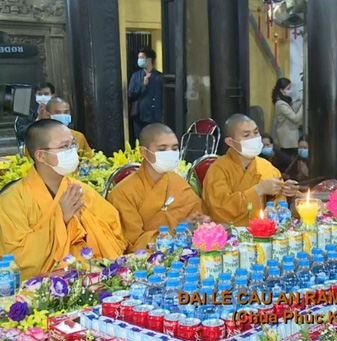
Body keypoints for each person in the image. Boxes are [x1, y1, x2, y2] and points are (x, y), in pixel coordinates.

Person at [0, 120, 126, 280]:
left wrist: (85, 226)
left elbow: (114, 236)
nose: (72, 151)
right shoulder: (11, 201)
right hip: (40, 289)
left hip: (92, 279)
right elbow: (18, 259)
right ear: (41, 155)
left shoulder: (80, 190)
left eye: (73, 144)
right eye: (64, 146)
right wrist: (61, 218)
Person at [108, 124, 209, 253]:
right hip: (147, 261)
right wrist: (175, 233)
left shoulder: (178, 182)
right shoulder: (122, 192)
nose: (170, 153)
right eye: (162, 149)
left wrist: (197, 223)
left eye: (174, 148)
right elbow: (134, 242)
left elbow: (197, 216)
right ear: (143, 152)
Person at [202, 114, 299, 226]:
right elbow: (220, 209)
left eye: (256, 132)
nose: (253, 138)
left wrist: (287, 192)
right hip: (234, 235)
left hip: (266, 231)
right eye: (246, 135)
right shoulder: (218, 169)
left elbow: (278, 205)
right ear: (230, 142)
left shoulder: (266, 166)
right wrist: (258, 190)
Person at [24, 97, 92, 158]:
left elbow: (90, 161)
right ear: (48, 115)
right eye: (57, 112)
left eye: (66, 112)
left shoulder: (78, 136)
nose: (63, 115)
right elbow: (27, 162)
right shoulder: (37, 138)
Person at [128, 47, 163, 139]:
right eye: (138, 58)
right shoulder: (136, 76)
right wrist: (143, 85)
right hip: (139, 116)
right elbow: (131, 94)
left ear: (149, 59)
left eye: (141, 58)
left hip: (155, 117)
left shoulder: (159, 77)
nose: (139, 60)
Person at [272, 77, 303, 158]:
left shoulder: (284, 101)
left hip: (290, 136)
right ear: (281, 90)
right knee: (288, 159)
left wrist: (299, 103)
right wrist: (303, 106)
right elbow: (295, 118)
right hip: (287, 138)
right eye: (288, 88)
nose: (290, 91)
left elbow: (292, 111)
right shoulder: (280, 104)